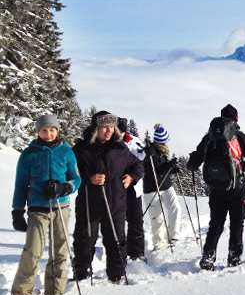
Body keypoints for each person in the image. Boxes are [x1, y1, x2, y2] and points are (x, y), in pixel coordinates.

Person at [187, 104, 245, 270]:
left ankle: (208, 258)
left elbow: (194, 162)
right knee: (237, 224)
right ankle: (234, 259)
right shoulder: (241, 138)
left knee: (216, 224)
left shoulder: (209, 138)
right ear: (236, 119)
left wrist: (192, 162)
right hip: (237, 189)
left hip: (215, 189)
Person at [11, 114, 81, 295]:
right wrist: (17, 211)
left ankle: (55, 291)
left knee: (59, 251)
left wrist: (65, 187)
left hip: (61, 207)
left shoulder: (66, 152)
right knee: (33, 250)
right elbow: (21, 184)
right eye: (44, 130)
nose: (48, 133)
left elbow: (76, 178)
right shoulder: (29, 154)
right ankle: (21, 291)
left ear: (57, 130)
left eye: (52, 130)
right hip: (37, 209)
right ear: (38, 132)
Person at [72, 111, 143, 283]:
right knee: (84, 241)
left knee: (117, 242)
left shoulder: (120, 148)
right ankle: (81, 275)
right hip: (89, 204)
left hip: (115, 204)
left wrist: (132, 177)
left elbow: (137, 164)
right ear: (96, 128)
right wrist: (88, 178)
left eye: (112, 127)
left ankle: (116, 276)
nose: (109, 131)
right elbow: (71, 172)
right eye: (105, 127)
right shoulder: (82, 149)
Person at [143, 124, 182, 250]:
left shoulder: (164, 152)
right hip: (152, 188)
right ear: (161, 141)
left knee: (175, 208)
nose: (167, 143)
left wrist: (172, 168)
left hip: (166, 186)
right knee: (158, 218)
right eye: (166, 141)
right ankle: (158, 243)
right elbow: (156, 171)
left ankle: (174, 236)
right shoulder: (151, 153)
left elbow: (164, 170)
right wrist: (169, 166)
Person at [117, 117, 146, 261]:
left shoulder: (135, 141)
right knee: (119, 221)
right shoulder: (110, 143)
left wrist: (149, 153)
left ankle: (137, 252)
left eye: (121, 132)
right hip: (116, 188)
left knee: (136, 219)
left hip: (134, 186)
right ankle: (119, 253)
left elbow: (141, 160)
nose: (119, 135)